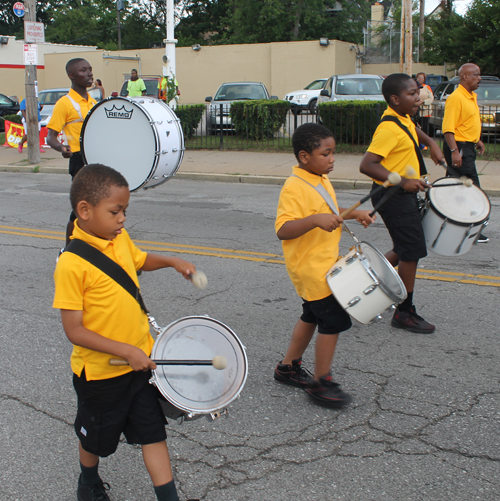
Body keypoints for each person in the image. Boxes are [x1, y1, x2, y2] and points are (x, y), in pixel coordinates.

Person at [53, 164, 200, 501]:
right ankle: (88, 481)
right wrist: (125, 351)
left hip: (140, 362)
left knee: (153, 434)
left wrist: (172, 261)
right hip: (102, 374)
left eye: (125, 211)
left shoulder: (118, 239)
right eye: (115, 211)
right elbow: (74, 331)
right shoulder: (72, 264)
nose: (122, 219)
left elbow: (139, 259)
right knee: (95, 440)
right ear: (85, 211)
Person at [274, 123, 375, 408]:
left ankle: (287, 367)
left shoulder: (318, 177)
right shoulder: (295, 186)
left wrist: (355, 214)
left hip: (325, 265)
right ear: (305, 156)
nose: (332, 159)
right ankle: (321, 382)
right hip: (310, 269)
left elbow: (331, 211)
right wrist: (315, 221)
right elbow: (283, 229)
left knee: (312, 315)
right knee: (333, 321)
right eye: (326, 154)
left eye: (333, 153)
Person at [359, 73, 445, 335]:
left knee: (405, 246)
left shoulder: (402, 117)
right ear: (395, 99)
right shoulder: (388, 128)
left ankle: (364, 284)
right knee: (411, 251)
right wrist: (403, 182)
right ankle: (404, 311)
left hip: (401, 195)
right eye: (411, 93)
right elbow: (367, 165)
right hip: (392, 197)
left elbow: (412, 129)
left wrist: (430, 142)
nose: (417, 96)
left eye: (417, 91)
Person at [46, 58, 97, 247]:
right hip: (78, 160)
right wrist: (62, 148)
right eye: (84, 70)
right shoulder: (64, 103)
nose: (90, 73)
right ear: (72, 75)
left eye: (90, 69)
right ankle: (68, 251)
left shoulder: (92, 102)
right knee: (80, 209)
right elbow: (50, 137)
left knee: (102, 206)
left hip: (95, 159)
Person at [442, 63, 488, 243]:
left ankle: (445, 223)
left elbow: (466, 122)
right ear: (465, 77)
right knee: (473, 189)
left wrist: (477, 139)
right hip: (458, 147)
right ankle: (473, 231)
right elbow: (448, 129)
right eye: (476, 75)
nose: (479, 78)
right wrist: (455, 151)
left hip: (466, 146)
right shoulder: (456, 98)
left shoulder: (470, 96)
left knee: (452, 188)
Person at [415, 72, 434, 137]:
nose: (420, 79)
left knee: (425, 127)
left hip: (425, 111)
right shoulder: (414, 87)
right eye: (419, 77)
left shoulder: (427, 87)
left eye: (422, 77)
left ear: (424, 79)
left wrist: (424, 101)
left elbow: (431, 99)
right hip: (416, 110)